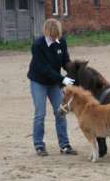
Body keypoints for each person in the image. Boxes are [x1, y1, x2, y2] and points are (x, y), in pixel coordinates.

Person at [27, 18, 77, 156]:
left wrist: (73, 72)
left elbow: (65, 61)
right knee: (40, 113)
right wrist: (63, 79)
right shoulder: (38, 45)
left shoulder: (61, 41)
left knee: (60, 112)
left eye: (58, 35)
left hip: (54, 82)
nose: (56, 38)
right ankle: (39, 145)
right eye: (53, 35)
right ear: (47, 32)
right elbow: (45, 69)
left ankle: (64, 145)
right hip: (39, 81)